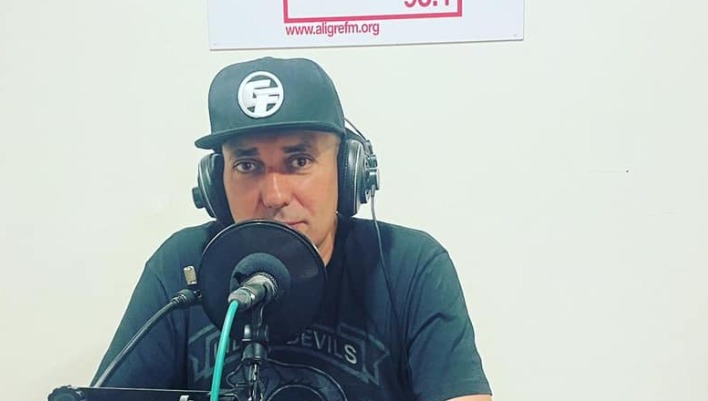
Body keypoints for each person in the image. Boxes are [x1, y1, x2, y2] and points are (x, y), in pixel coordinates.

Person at [92, 56, 492, 401]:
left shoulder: (409, 266)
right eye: (247, 165)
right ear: (216, 184)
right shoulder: (183, 266)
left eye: (299, 161)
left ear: (348, 172)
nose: (275, 195)